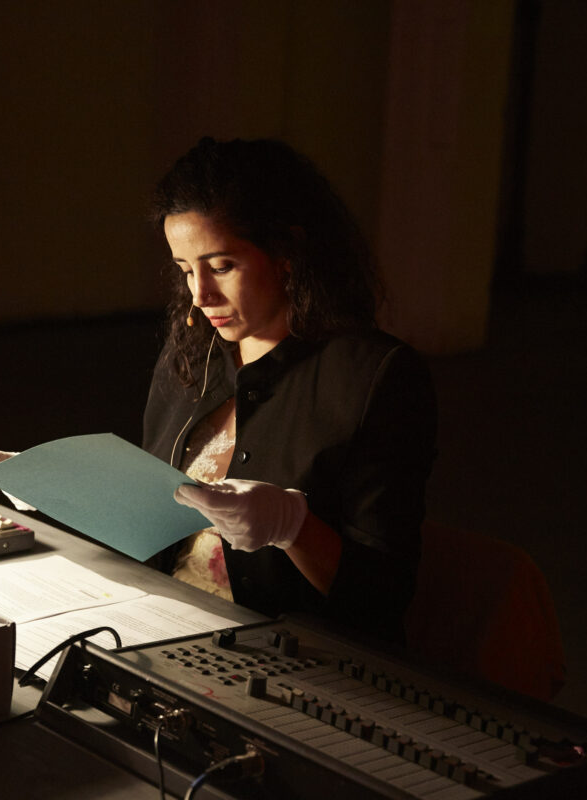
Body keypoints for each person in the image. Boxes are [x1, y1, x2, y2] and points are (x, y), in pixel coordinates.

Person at [144, 137, 436, 643]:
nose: (200, 294)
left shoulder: (375, 376)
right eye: (185, 270)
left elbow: (380, 599)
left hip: (290, 655)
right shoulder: (191, 354)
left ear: (286, 254)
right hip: (163, 624)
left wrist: (292, 528)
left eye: (220, 266)